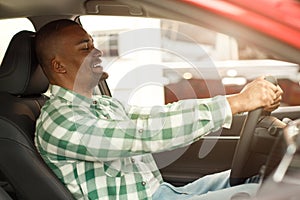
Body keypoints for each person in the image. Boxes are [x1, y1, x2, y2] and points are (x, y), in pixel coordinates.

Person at [34, 19, 283, 200]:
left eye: (93, 44)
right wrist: (236, 103)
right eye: (85, 48)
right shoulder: (59, 120)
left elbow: (157, 116)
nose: (98, 52)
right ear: (59, 66)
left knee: (261, 179)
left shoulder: (102, 104)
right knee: (268, 194)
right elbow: (141, 134)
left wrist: (237, 103)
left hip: (162, 193)